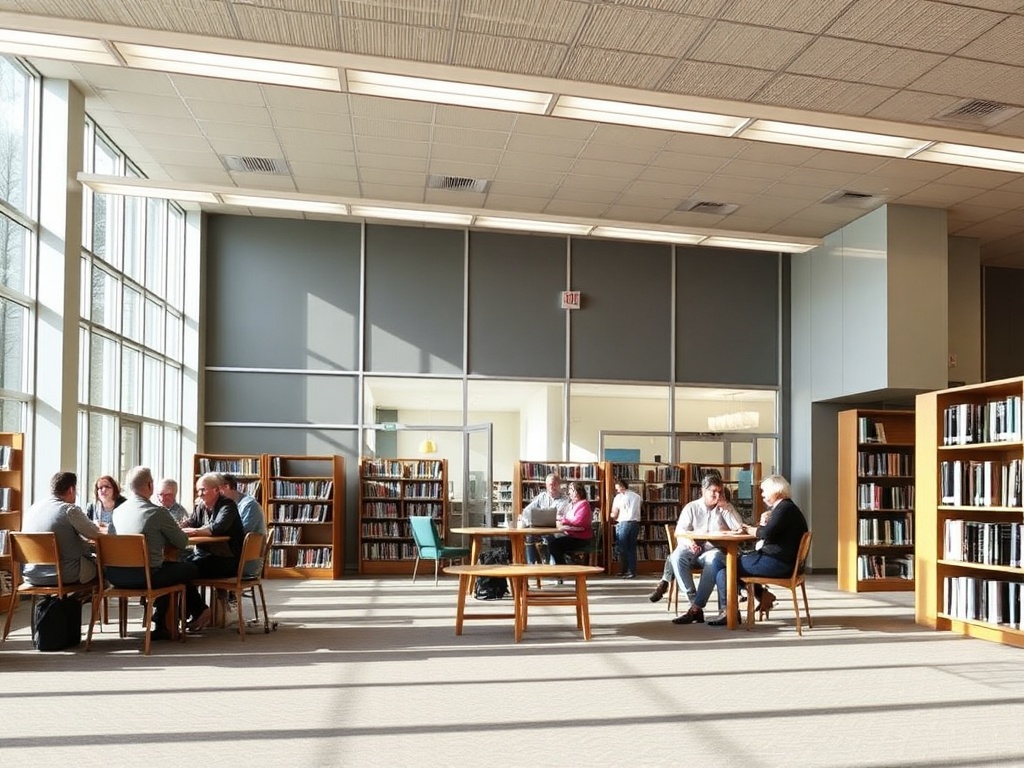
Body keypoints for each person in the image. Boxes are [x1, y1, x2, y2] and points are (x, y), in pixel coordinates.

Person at [107, 466, 201, 640]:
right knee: (189, 569)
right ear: (150, 486)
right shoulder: (157, 513)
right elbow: (182, 542)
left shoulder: (117, 512)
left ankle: (165, 622)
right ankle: (190, 614)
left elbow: (112, 539)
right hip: (145, 576)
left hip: (115, 575)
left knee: (166, 571)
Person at [647, 474, 742, 626]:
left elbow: (738, 527)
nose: (717, 495)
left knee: (715, 559)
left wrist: (725, 508)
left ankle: (695, 608)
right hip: (692, 548)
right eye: (713, 492)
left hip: (713, 549)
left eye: (720, 491)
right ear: (703, 491)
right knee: (676, 557)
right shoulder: (692, 507)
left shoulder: (725, 507)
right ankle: (693, 601)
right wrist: (689, 542)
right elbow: (680, 532)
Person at [715, 474, 809, 625]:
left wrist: (748, 529)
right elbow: (772, 532)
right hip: (784, 562)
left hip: (778, 564)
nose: (762, 495)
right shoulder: (787, 508)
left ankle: (730, 612)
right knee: (727, 566)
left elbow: (765, 534)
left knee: (725, 568)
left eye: (764, 491)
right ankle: (759, 595)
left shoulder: (784, 509)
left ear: (775, 491)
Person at [21, 471, 102, 586]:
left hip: (31, 574)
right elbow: (95, 534)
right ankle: (75, 601)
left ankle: (59, 602)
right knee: (103, 569)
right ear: (71, 490)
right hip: (65, 574)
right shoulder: (69, 510)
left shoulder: (32, 509)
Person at [220, 473, 267, 577]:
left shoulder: (249, 505)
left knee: (200, 565)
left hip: (246, 563)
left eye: (217, 490)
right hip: (237, 557)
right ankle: (223, 592)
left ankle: (223, 592)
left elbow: (241, 534)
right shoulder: (228, 506)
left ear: (226, 487)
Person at [521, 473, 570, 565]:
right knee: (529, 536)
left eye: (555, 484)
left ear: (559, 485)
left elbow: (564, 516)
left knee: (551, 538)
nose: (553, 487)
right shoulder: (541, 497)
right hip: (540, 529)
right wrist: (527, 522)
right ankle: (531, 564)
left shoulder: (565, 499)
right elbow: (527, 510)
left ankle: (552, 564)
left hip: (556, 531)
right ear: (546, 486)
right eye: (550, 485)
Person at [545, 481, 593, 564]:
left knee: (554, 545)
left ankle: (563, 568)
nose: (569, 492)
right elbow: (568, 518)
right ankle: (560, 566)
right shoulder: (572, 504)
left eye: (571, 489)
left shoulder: (584, 504)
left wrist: (563, 521)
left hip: (581, 539)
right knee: (551, 540)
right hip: (572, 535)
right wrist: (560, 519)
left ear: (579, 491)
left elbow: (579, 521)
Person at [610, 478, 642, 578]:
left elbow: (614, 514)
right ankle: (632, 571)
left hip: (624, 522)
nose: (616, 490)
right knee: (631, 548)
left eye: (617, 488)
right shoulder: (637, 496)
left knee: (622, 548)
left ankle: (623, 570)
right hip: (635, 523)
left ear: (621, 487)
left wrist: (610, 515)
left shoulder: (619, 497)